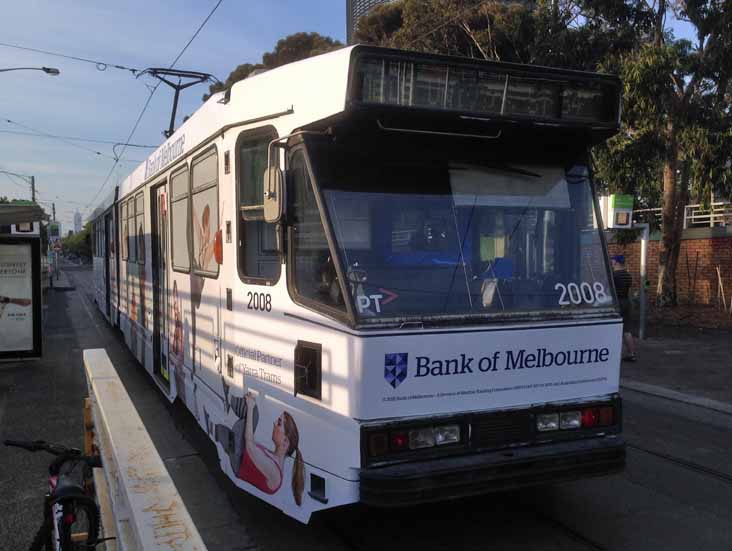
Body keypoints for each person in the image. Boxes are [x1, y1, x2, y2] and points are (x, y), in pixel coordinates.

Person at [237, 392, 305, 505]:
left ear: (285, 442)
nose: (274, 423)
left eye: (279, 423)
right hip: (236, 451)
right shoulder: (273, 459)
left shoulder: (275, 473)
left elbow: (249, 444)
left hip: (236, 456)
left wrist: (250, 407)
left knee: (252, 414)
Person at [611, 255, 636, 361]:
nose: (611, 263)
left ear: (616, 262)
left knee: (614, 329)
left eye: (612, 261)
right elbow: (629, 291)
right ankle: (631, 354)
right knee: (627, 330)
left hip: (617, 303)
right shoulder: (628, 275)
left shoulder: (614, 275)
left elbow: (609, 290)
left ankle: (613, 355)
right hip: (626, 302)